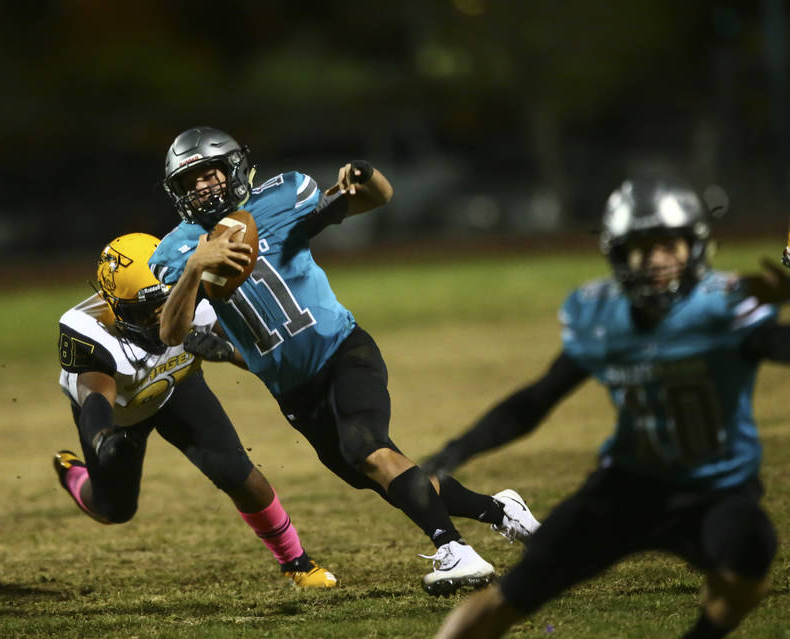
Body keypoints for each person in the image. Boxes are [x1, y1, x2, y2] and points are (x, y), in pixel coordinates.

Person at [148, 126, 540, 596]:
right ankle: (502, 512)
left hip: (343, 351)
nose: (201, 188)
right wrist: (196, 266)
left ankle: (455, 550)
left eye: (208, 175)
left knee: (366, 447)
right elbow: (171, 332)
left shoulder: (283, 196)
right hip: (293, 390)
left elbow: (375, 197)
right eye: (189, 182)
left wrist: (366, 175)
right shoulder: (174, 251)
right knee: (376, 474)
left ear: (232, 169)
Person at [428, 175, 785, 639]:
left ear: (694, 246)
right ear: (618, 252)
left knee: (751, 562)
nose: (657, 260)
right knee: (510, 598)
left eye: (669, 245)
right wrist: (459, 449)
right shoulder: (602, 316)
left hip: (717, 488)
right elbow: (537, 400)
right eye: (642, 248)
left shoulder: (728, 307)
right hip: (628, 486)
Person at [51, 232, 337, 588]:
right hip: (119, 418)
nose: (159, 318)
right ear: (113, 305)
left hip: (178, 388)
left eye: (165, 303)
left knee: (238, 473)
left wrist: (228, 351)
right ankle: (73, 473)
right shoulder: (89, 328)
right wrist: (103, 440)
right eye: (144, 311)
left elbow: (264, 358)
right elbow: (95, 397)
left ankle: (297, 563)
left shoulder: (199, 300)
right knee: (115, 510)